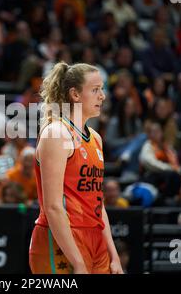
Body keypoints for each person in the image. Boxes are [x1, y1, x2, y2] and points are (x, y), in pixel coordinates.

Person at [29, 62, 123, 274]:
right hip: (60, 238)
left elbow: (99, 205)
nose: (103, 96)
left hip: (95, 238)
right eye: (95, 89)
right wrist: (78, 263)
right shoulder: (57, 133)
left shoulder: (96, 139)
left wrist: (114, 255)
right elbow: (53, 206)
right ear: (75, 94)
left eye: (102, 89)